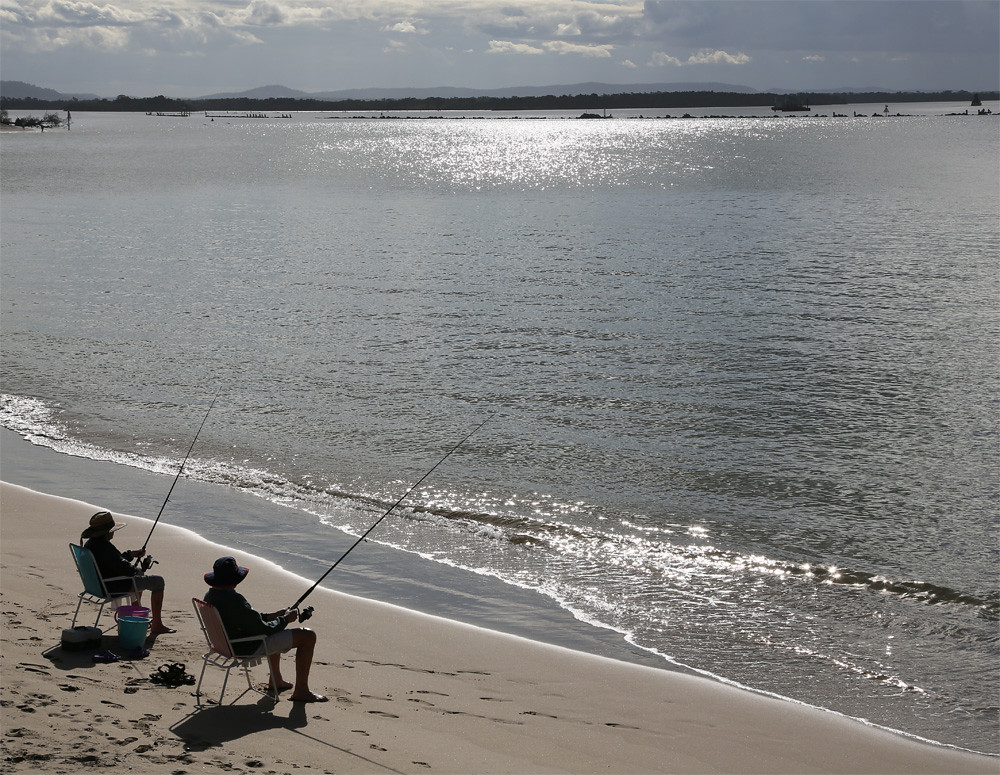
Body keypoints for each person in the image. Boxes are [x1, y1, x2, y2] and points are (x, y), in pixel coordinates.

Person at [203, 556, 328, 703]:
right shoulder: (234, 600)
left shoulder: (210, 596)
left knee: (277, 630)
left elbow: (248, 619)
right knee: (308, 636)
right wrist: (286, 619)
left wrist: (274, 615)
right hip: (245, 646)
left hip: (224, 644)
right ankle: (301, 690)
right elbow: (265, 629)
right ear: (235, 580)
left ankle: (276, 680)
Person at [81, 510, 175, 634]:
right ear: (107, 532)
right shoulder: (105, 548)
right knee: (158, 581)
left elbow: (114, 561)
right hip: (113, 587)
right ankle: (156, 624)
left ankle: (135, 616)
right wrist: (138, 569)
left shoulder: (91, 544)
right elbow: (128, 570)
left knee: (140, 574)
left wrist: (131, 554)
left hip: (95, 586)